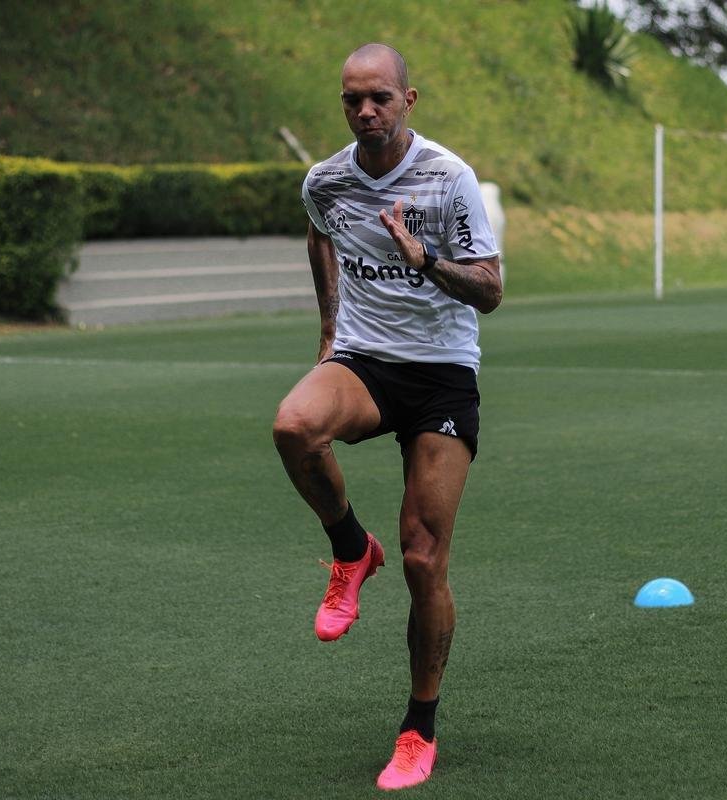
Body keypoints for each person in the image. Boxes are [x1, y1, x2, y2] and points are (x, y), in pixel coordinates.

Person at [272, 42, 502, 791]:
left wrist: (424, 260)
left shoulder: (448, 177)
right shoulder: (326, 179)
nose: (365, 110)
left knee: (423, 558)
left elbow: (491, 290)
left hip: (442, 377)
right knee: (294, 426)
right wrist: (329, 328)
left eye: (379, 97)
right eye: (352, 99)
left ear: (409, 99)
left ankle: (418, 728)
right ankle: (350, 549)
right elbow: (320, 229)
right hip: (367, 360)